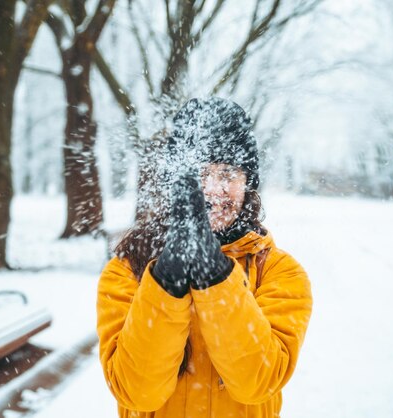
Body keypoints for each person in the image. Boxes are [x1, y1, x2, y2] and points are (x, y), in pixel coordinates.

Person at [96, 97, 313, 417]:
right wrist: (166, 282)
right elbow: (137, 392)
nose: (213, 189)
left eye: (227, 173)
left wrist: (216, 276)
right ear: (176, 184)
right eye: (199, 173)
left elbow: (257, 382)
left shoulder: (280, 273)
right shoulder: (128, 271)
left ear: (247, 182)